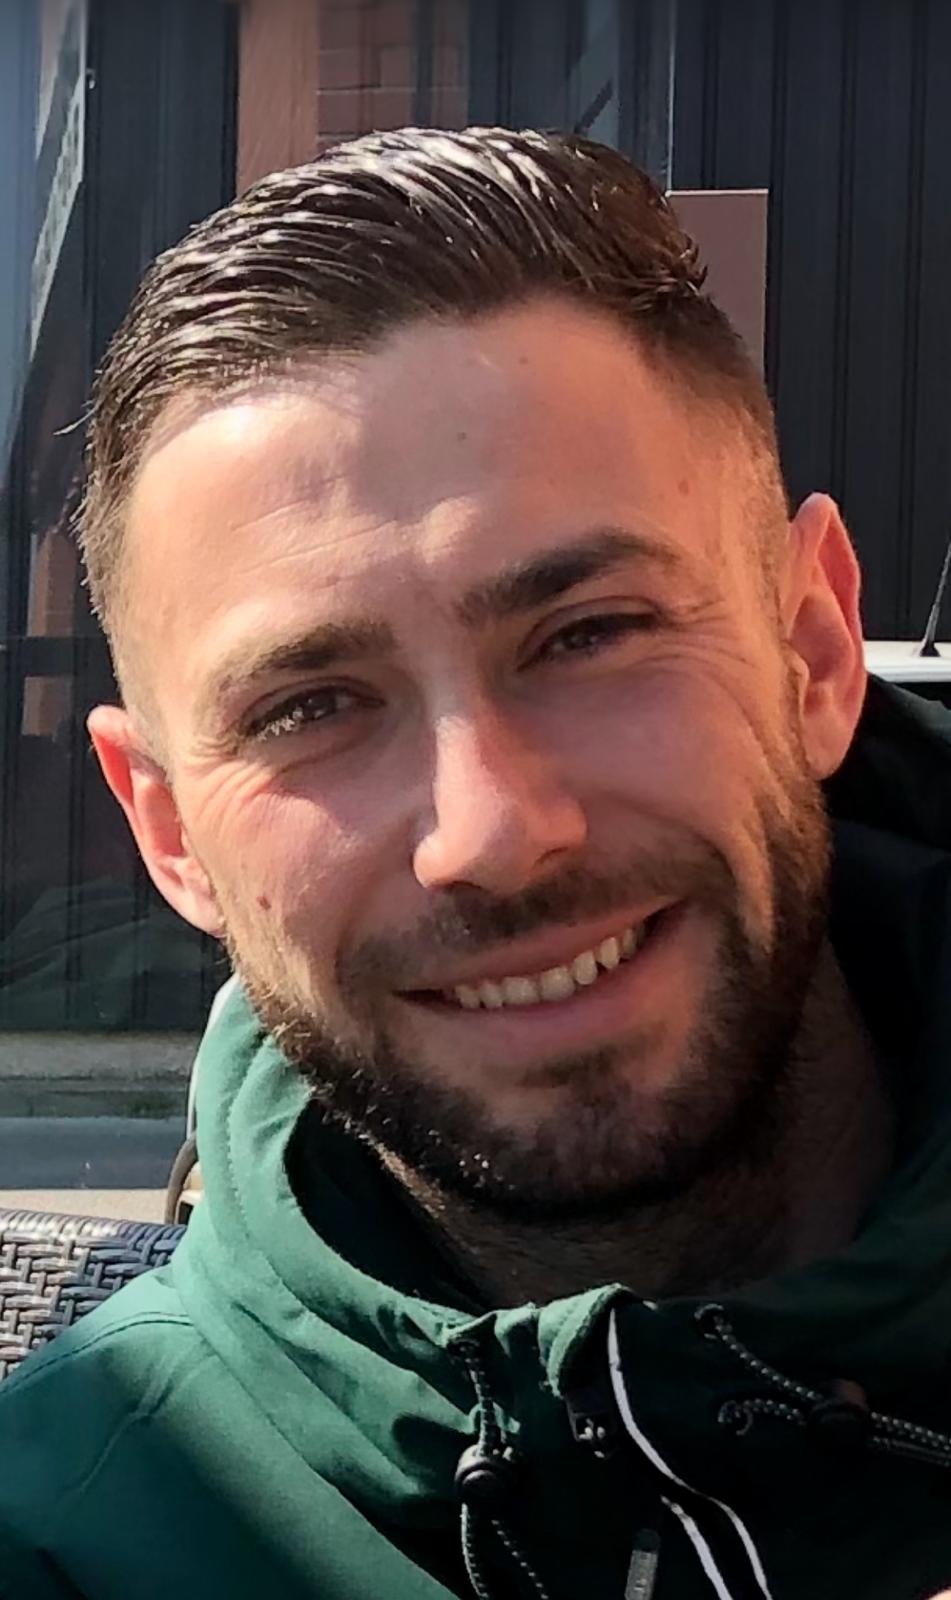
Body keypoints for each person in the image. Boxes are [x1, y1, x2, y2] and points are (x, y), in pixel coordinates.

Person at [1, 127, 951, 1600]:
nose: (492, 833)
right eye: (308, 708)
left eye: (591, 634)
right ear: (172, 832)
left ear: (814, 651)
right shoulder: (68, 1534)